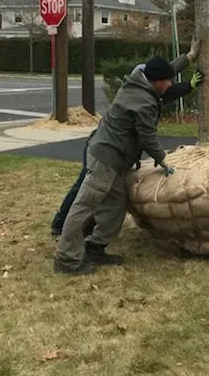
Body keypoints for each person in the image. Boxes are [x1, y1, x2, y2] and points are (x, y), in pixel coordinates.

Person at [53, 45, 200, 275]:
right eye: (168, 82)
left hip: (114, 159)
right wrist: (164, 161)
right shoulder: (144, 103)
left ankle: (95, 247)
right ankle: (66, 259)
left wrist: (188, 58)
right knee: (84, 206)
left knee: (116, 204)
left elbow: (164, 69)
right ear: (156, 82)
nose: (170, 85)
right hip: (106, 159)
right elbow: (148, 138)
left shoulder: (138, 79)